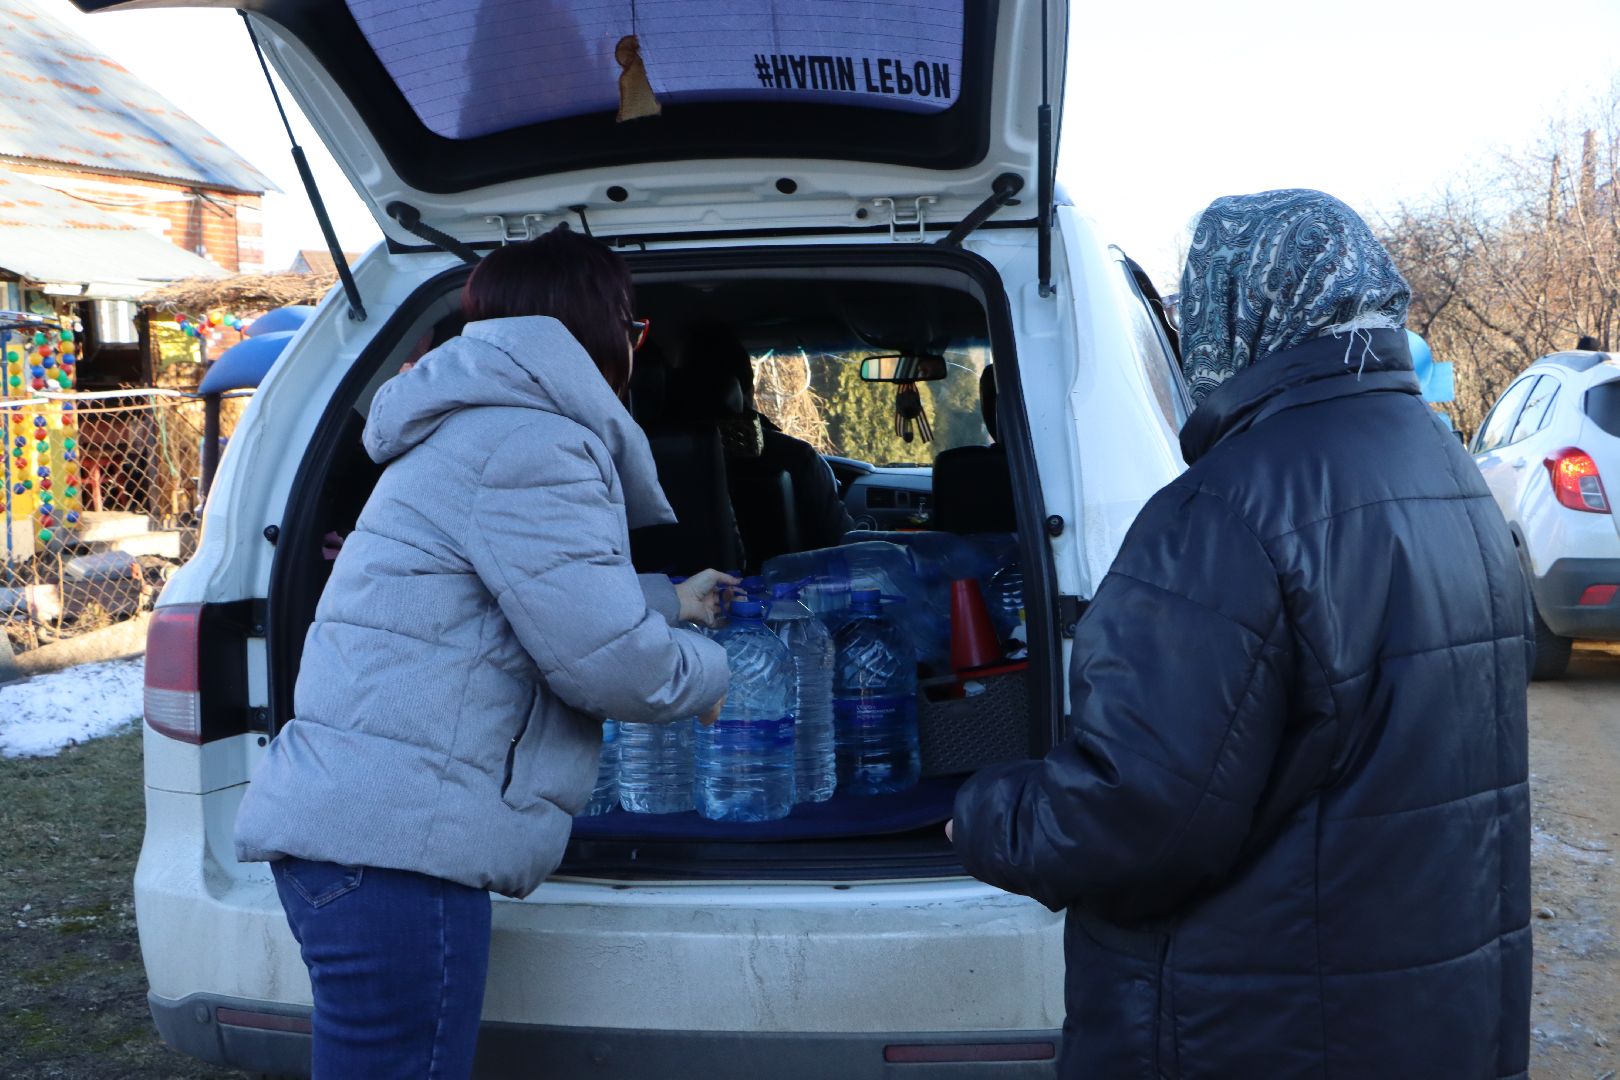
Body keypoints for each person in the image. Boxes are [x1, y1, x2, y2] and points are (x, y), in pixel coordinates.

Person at [948, 190, 1532, 1077]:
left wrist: (981, 813)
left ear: (1234, 307)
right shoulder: (1448, 470)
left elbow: (1135, 817)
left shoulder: (1228, 510)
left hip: (1257, 1027)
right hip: (1423, 1016)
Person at [233, 225, 734, 1079]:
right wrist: (713, 673)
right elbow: (610, 661)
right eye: (634, 330)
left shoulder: (473, 426)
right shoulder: (533, 444)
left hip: (364, 841)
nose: (635, 351)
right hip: (396, 855)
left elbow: (513, 595)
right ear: (601, 331)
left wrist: (665, 602)